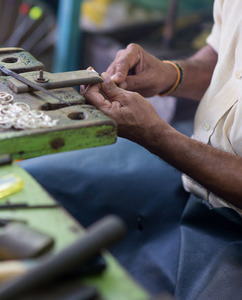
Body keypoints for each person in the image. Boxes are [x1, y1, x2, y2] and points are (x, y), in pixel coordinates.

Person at [20, 0, 242, 298]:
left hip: (232, 221)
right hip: (190, 176)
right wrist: (169, 74)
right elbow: (224, 58)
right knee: (27, 188)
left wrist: (156, 136)